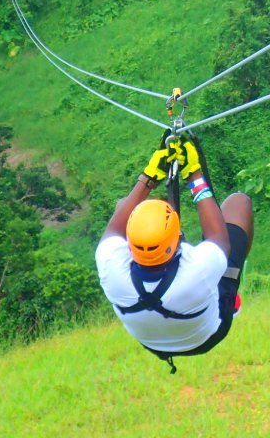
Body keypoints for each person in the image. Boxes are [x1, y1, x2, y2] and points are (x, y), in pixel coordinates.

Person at [95, 135, 253, 372]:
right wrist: (194, 174)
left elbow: (115, 227)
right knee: (239, 203)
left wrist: (148, 178)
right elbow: (219, 239)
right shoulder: (197, 271)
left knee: (123, 206)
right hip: (206, 336)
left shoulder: (110, 265)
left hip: (152, 342)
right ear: (176, 237)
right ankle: (230, 290)